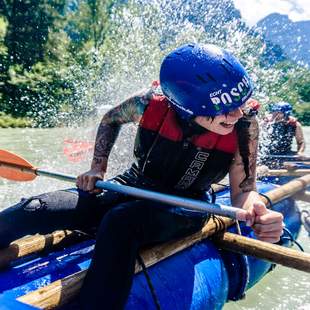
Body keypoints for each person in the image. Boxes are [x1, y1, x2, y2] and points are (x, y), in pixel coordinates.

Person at [0, 43, 284, 309]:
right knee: (37, 209)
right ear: (185, 106)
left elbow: (244, 189)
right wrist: (98, 167)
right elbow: (111, 119)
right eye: (224, 108)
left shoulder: (245, 125)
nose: (237, 112)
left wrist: (255, 209)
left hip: (187, 206)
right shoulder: (149, 103)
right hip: (131, 186)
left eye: (240, 103)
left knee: (121, 222)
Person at [259, 102, 306, 166]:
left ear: (286, 114)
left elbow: (301, 142)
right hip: (267, 153)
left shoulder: (294, 124)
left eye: (279, 112)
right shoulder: (266, 121)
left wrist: (300, 152)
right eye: (274, 111)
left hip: (285, 153)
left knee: (293, 165)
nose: (274, 114)